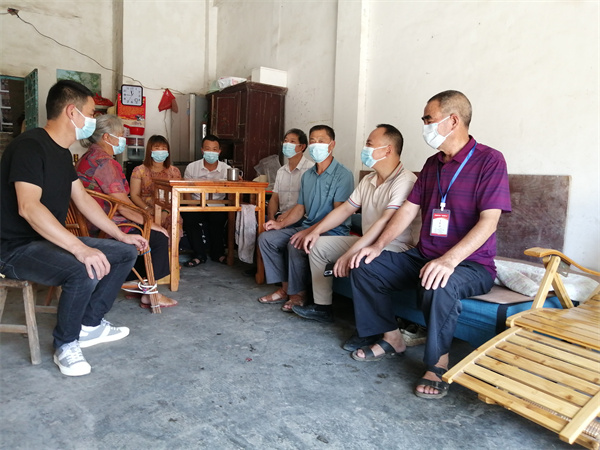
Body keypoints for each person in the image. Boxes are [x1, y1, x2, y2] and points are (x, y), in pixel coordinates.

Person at [349, 90, 511, 400]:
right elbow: (408, 210)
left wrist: (449, 260)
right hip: (424, 256)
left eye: (428, 119)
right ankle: (392, 338)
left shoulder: (490, 160)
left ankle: (438, 364)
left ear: (453, 120)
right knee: (365, 264)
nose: (424, 126)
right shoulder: (432, 164)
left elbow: (489, 221)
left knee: (439, 282)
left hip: (470, 265)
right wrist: (378, 246)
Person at [0, 80, 147, 376]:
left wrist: (120, 235)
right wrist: (80, 248)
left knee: (124, 252)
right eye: (91, 113)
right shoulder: (29, 147)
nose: (92, 120)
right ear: (72, 112)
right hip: (14, 248)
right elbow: (28, 207)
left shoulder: (63, 153)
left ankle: (89, 325)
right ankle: (66, 344)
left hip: (45, 241)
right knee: (83, 268)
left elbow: (83, 200)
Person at [291, 124, 417, 331]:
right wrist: (315, 231)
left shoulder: (406, 180)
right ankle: (322, 308)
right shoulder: (368, 179)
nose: (364, 149)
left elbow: (384, 223)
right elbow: (345, 210)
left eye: (369, 144)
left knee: (360, 260)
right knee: (318, 246)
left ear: (387, 150)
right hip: (367, 240)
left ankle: (370, 329)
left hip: (395, 246)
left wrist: (350, 254)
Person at [76, 114, 177, 309]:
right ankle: (150, 292)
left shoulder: (87, 158)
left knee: (150, 232)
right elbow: (123, 206)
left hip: (87, 222)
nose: (123, 139)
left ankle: (136, 284)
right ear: (107, 137)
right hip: (104, 225)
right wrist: (151, 224)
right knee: (158, 237)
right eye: (121, 134)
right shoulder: (106, 163)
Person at [257, 125, 354, 312]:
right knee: (266, 239)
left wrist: (309, 231)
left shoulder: (343, 175)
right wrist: (280, 224)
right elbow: (300, 208)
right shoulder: (308, 175)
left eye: (321, 141)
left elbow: (339, 213)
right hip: (307, 226)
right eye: (313, 141)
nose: (316, 145)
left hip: (332, 231)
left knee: (296, 243)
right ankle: (285, 289)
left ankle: (298, 295)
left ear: (332, 145)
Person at [182, 134, 232, 266]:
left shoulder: (227, 169)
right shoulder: (192, 167)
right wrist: (190, 206)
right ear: (202, 150)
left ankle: (218, 254)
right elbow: (185, 190)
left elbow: (233, 190)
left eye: (214, 149)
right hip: (196, 203)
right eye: (208, 149)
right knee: (189, 217)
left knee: (218, 219)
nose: (211, 152)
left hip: (217, 205)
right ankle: (198, 255)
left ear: (219, 151)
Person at [130, 134, 182, 234]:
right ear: (150, 150)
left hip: (169, 209)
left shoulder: (174, 171)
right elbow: (134, 195)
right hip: (144, 209)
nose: (160, 151)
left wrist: (165, 211)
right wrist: (148, 209)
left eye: (164, 148)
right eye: (157, 148)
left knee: (174, 223)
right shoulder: (139, 170)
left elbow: (177, 195)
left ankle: (172, 244)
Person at [267, 128, 314, 223]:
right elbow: (274, 198)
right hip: (281, 217)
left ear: (302, 147)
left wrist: (285, 217)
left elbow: (307, 202)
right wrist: (271, 218)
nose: (287, 144)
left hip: (302, 219)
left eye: (292, 141)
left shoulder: (311, 169)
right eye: (285, 141)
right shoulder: (281, 171)